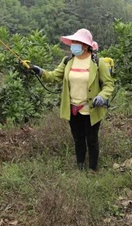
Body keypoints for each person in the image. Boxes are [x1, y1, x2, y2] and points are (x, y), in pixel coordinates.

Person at [29, 28, 114, 171]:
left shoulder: (98, 63)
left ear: (86, 45)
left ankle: (93, 169)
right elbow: (54, 76)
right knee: (78, 139)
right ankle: (81, 167)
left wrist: (102, 96)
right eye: (73, 41)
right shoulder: (68, 61)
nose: (73, 44)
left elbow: (109, 84)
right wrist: (40, 71)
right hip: (73, 108)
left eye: (77, 42)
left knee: (92, 140)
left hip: (91, 109)